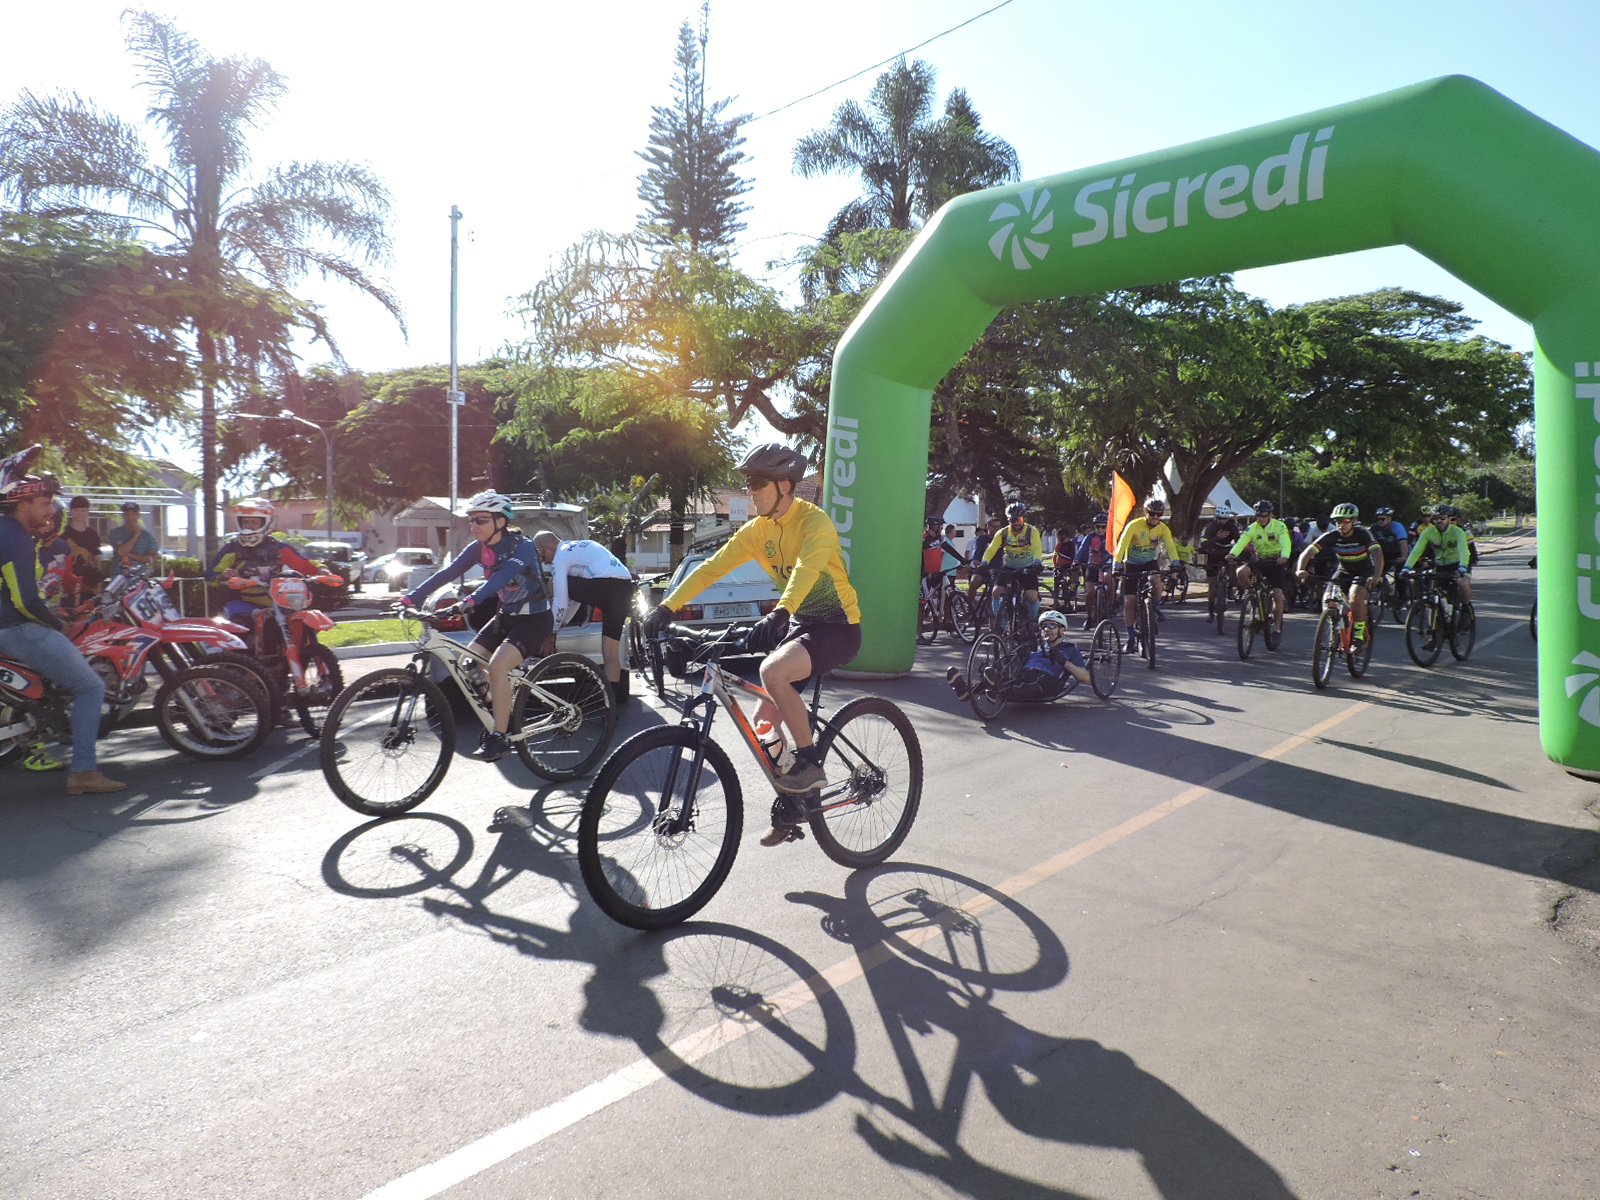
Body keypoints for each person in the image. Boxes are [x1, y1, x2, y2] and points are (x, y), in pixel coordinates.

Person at [641, 443, 860, 847]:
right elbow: (711, 568)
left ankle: (810, 763)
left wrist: (780, 612)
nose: (750, 491)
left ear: (783, 485)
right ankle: (796, 805)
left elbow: (807, 570)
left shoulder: (815, 523)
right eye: (748, 483)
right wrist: (668, 607)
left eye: (757, 483)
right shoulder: (757, 531)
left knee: (771, 671)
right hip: (802, 624)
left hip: (838, 626)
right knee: (763, 725)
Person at [0, 461, 125, 794]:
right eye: (43, 503)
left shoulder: (7, 532)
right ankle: (83, 772)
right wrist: (59, 624)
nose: (50, 510)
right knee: (90, 688)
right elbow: (25, 600)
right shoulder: (16, 538)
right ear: (21, 503)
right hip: (14, 628)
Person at [403, 492, 552, 762]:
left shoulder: (524, 546)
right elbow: (446, 573)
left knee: (496, 667)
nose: (474, 525)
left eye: (481, 519)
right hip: (505, 617)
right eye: (471, 520)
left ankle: (501, 736)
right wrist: (411, 597)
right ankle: (504, 701)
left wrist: (471, 600)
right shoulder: (477, 549)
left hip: (534, 619)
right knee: (466, 664)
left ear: (500, 521)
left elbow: (503, 577)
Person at [531, 530, 636, 705]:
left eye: (541, 554)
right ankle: (611, 707)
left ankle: (610, 706)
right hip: (624, 588)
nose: (544, 561)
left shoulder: (560, 557)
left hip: (606, 586)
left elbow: (561, 602)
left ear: (549, 546)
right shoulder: (577, 550)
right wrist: (561, 624)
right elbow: (575, 599)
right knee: (610, 653)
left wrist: (551, 633)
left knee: (553, 582)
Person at [206, 498, 325, 626]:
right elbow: (210, 576)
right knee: (241, 626)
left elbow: (303, 564)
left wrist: (322, 570)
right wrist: (222, 575)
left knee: (300, 621)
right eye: (246, 522)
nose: (249, 525)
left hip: (280, 602)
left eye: (254, 522)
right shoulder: (231, 548)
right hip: (242, 602)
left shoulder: (279, 547)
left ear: (266, 523)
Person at [947, 608, 1090, 702]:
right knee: (1003, 678)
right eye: (1044, 626)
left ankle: (996, 690)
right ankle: (965, 690)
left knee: (1027, 688)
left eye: (1052, 626)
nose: (1047, 629)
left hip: (1046, 679)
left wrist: (1064, 662)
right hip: (1024, 674)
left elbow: (1085, 677)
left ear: (1062, 629)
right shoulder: (1036, 646)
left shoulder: (1069, 649)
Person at [1296, 503, 1383, 642]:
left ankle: (1358, 633)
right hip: (1344, 570)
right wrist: (1300, 569)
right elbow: (1308, 552)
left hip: (1364, 570)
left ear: (1354, 521)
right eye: (1337, 521)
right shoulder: (1332, 536)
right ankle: (1336, 627)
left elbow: (1377, 553)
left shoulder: (1363, 534)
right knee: (1329, 598)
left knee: (1355, 596)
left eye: (1345, 521)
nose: (1341, 525)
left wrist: (1377, 575)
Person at [1111, 498, 1179, 653]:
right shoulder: (1134, 525)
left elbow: (1170, 545)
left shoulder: (1163, 528)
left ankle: (1155, 605)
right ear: (1146, 512)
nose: (1156, 517)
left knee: (1156, 578)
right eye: (1152, 514)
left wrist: (1175, 563)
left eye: (1159, 514)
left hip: (1149, 562)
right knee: (1129, 601)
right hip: (1132, 564)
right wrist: (1116, 565)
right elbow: (1122, 545)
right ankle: (1130, 639)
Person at [1228, 500, 1292, 634]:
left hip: (1276, 562)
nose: (1261, 518)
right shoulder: (1252, 528)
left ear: (1270, 514)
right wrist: (1232, 554)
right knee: (1241, 572)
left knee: (1277, 596)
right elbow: (1242, 541)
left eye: (1263, 515)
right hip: (1260, 560)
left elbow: (1285, 542)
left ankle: (1276, 629)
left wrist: (1284, 556)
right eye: (1258, 515)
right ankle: (1252, 595)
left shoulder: (1279, 526)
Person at [981, 502, 1044, 628]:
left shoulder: (1032, 531)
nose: (1015, 523)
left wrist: (1037, 562)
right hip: (1009, 568)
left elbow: (1037, 548)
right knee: (996, 592)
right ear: (1008, 520)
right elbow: (991, 549)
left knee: (1031, 596)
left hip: (1027, 568)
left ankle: (1032, 622)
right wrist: (984, 563)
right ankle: (1002, 625)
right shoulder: (1003, 533)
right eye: (1012, 520)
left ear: (1023, 519)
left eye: (1018, 519)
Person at [1402, 503, 1473, 607]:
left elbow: (1463, 550)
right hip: (1439, 565)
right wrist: (1407, 567)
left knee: (1462, 584)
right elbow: (1417, 550)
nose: (1438, 521)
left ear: (1449, 519)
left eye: (1442, 518)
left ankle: (1466, 609)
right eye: (1435, 518)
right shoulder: (1428, 532)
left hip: (1458, 564)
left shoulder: (1458, 532)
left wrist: (1463, 567)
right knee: (1435, 595)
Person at [1072, 513, 1113, 629]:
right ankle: (1090, 617)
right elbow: (1082, 549)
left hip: (1106, 564)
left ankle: (1110, 604)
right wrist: (1076, 561)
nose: (1100, 529)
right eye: (1097, 527)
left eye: (1103, 526)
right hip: (1092, 565)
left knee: (1109, 577)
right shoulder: (1090, 536)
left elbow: (1117, 550)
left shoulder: (1111, 536)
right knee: (1089, 592)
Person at [1198, 504, 1242, 604]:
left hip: (1227, 551)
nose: (1222, 521)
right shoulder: (1211, 526)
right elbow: (1204, 543)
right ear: (1216, 517)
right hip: (1213, 552)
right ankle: (1211, 610)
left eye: (1224, 519)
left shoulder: (1232, 526)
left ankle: (1231, 587)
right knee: (1212, 584)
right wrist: (1217, 537)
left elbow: (1239, 542)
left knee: (1233, 568)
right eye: (1219, 518)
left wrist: (1239, 554)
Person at [62, 495, 104, 595]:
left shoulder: (92, 534)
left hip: (88, 579)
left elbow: (96, 559)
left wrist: (99, 583)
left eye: (83, 510)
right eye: (77, 510)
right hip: (67, 580)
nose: (80, 514)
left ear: (87, 512)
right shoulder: (63, 533)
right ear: (71, 511)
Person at [107, 501, 158, 573]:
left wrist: (130, 555)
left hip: (140, 575)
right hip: (119, 574)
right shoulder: (115, 532)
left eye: (133, 514)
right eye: (127, 514)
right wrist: (135, 536)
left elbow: (153, 558)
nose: (130, 517)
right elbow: (121, 552)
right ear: (123, 516)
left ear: (138, 515)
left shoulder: (148, 536)